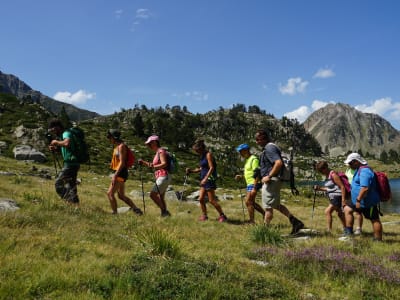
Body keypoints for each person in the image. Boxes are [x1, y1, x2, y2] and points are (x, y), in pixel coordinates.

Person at [255, 129, 304, 234]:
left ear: (264, 138)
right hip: (275, 180)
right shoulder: (272, 147)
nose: (256, 142)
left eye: (258, 139)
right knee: (276, 205)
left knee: (268, 207)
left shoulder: (269, 148)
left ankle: (264, 232)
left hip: (271, 181)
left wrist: (269, 176)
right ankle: (295, 222)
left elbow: (278, 163)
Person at [342, 153, 383, 241]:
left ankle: (378, 239)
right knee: (347, 209)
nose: (349, 165)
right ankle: (349, 232)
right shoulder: (359, 169)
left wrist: (358, 200)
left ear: (356, 162)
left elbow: (365, 188)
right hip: (358, 201)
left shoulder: (365, 171)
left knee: (374, 219)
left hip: (367, 201)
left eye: (350, 163)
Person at [185, 139, 228, 222]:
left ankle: (222, 215)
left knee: (211, 200)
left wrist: (205, 178)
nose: (196, 151)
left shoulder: (208, 155)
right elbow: (201, 168)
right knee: (201, 199)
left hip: (209, 180)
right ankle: (204, 215)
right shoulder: (202, 156)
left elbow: (211, 168)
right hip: (203, 180)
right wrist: (191, 171)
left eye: (197, 150)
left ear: (200, 148)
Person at [106, 129, 143, 215]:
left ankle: (114, 213)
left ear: (114, 137)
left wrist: (115, 175)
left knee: (110, 193)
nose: (109, 139)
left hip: (120, 173)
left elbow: (122, 163)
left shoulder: (121, 146)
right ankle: (136, 209)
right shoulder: (117, 146)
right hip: (120, 172)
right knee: (121, 196)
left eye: (110, 137)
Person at [48, 119, 80, 205]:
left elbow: (66, 143)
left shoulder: (66, 133)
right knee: (71, 186)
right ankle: (75, 205)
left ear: (57, 127)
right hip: (72, 163)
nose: (53, 132)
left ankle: (70, 201)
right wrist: (55, 149)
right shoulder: (64, 134)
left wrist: (56, 142)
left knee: (58, 184)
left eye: (53, 130)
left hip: (70, 164)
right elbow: (66, 148)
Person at [138, 135, 171, 217]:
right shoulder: (158, 152)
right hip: (165, 176)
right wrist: (144, 163)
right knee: (161, 197)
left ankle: (165, 212)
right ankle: (164, 214)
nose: (149, 145)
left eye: (150, 143)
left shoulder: (160, 151)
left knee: (152, 195)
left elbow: (164, 164)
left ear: (155, 142)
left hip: (163, 176)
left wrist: (153, 166)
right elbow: (152, 165)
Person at [235, 143, 265, 223]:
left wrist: (255, 187)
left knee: (248, 201)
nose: (240, 153)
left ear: (246, 150)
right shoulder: (248, 160)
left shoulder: (253, 159)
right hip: (249, 183)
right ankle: (264, 214)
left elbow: (257, 173)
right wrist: (241, 176)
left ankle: (252, 221)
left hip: (253, 183)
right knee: (251, 202)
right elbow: (249, 173)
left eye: (241, 151)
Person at [313, 160, 346, 233]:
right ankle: (346, 228)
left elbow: (342, 187)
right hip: (333, 197)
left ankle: (329, 230)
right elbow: (330, 189)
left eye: (321, 171)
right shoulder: (327, 176)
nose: (321, 173)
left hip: (337, 196)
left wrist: (343, 199)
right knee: (340, 213)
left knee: (327, 211)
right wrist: (319, 189)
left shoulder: (333, 174)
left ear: (325, 168)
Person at [345, 167, 364, 235]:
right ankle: (349, 229)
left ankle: (359, 228)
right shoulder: (347, 169)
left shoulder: (358, 169)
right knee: (348, 210)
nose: (348, 164)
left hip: (357, 193)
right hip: (349, 192)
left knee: (357, 212)